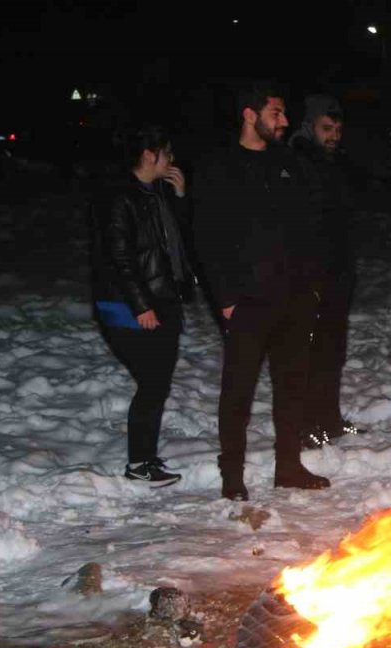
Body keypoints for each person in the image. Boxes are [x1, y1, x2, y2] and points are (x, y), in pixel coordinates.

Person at [195, 82, 330, 499]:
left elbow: (310, 227)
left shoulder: (287, 164)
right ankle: (232, 475)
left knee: (292, 386)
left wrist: (312, 287)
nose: (285, 121)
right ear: (250, 115)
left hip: (294, 298)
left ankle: (288, 466)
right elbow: (207, 237)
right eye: (276, 113)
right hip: (248, 301)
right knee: (238, 390)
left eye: (284, 113)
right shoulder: (219, 168)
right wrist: (227, 299)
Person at [89, 124, 193, 487]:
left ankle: (145, 457)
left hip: (161, 300)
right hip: (131, 308)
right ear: (149, 155)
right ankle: (139, 464)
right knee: (153, 383)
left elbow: (177, 243)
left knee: (157, 382)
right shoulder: (122, 198)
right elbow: (119, 259)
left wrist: (180, 196)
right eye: (167, 152)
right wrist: (140, 306)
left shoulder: (157, 194)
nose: (172, 159)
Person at [288, 94, 363, 448]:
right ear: (310, 126)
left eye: (338, 129)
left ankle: (328, 418)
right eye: (326, 128)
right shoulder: (299, 160)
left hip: (338, 270)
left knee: (333, 348)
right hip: (311, 272)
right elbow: (301, 223)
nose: (334, 135)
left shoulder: (334, 162)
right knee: (310, 350)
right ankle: (305, 425)